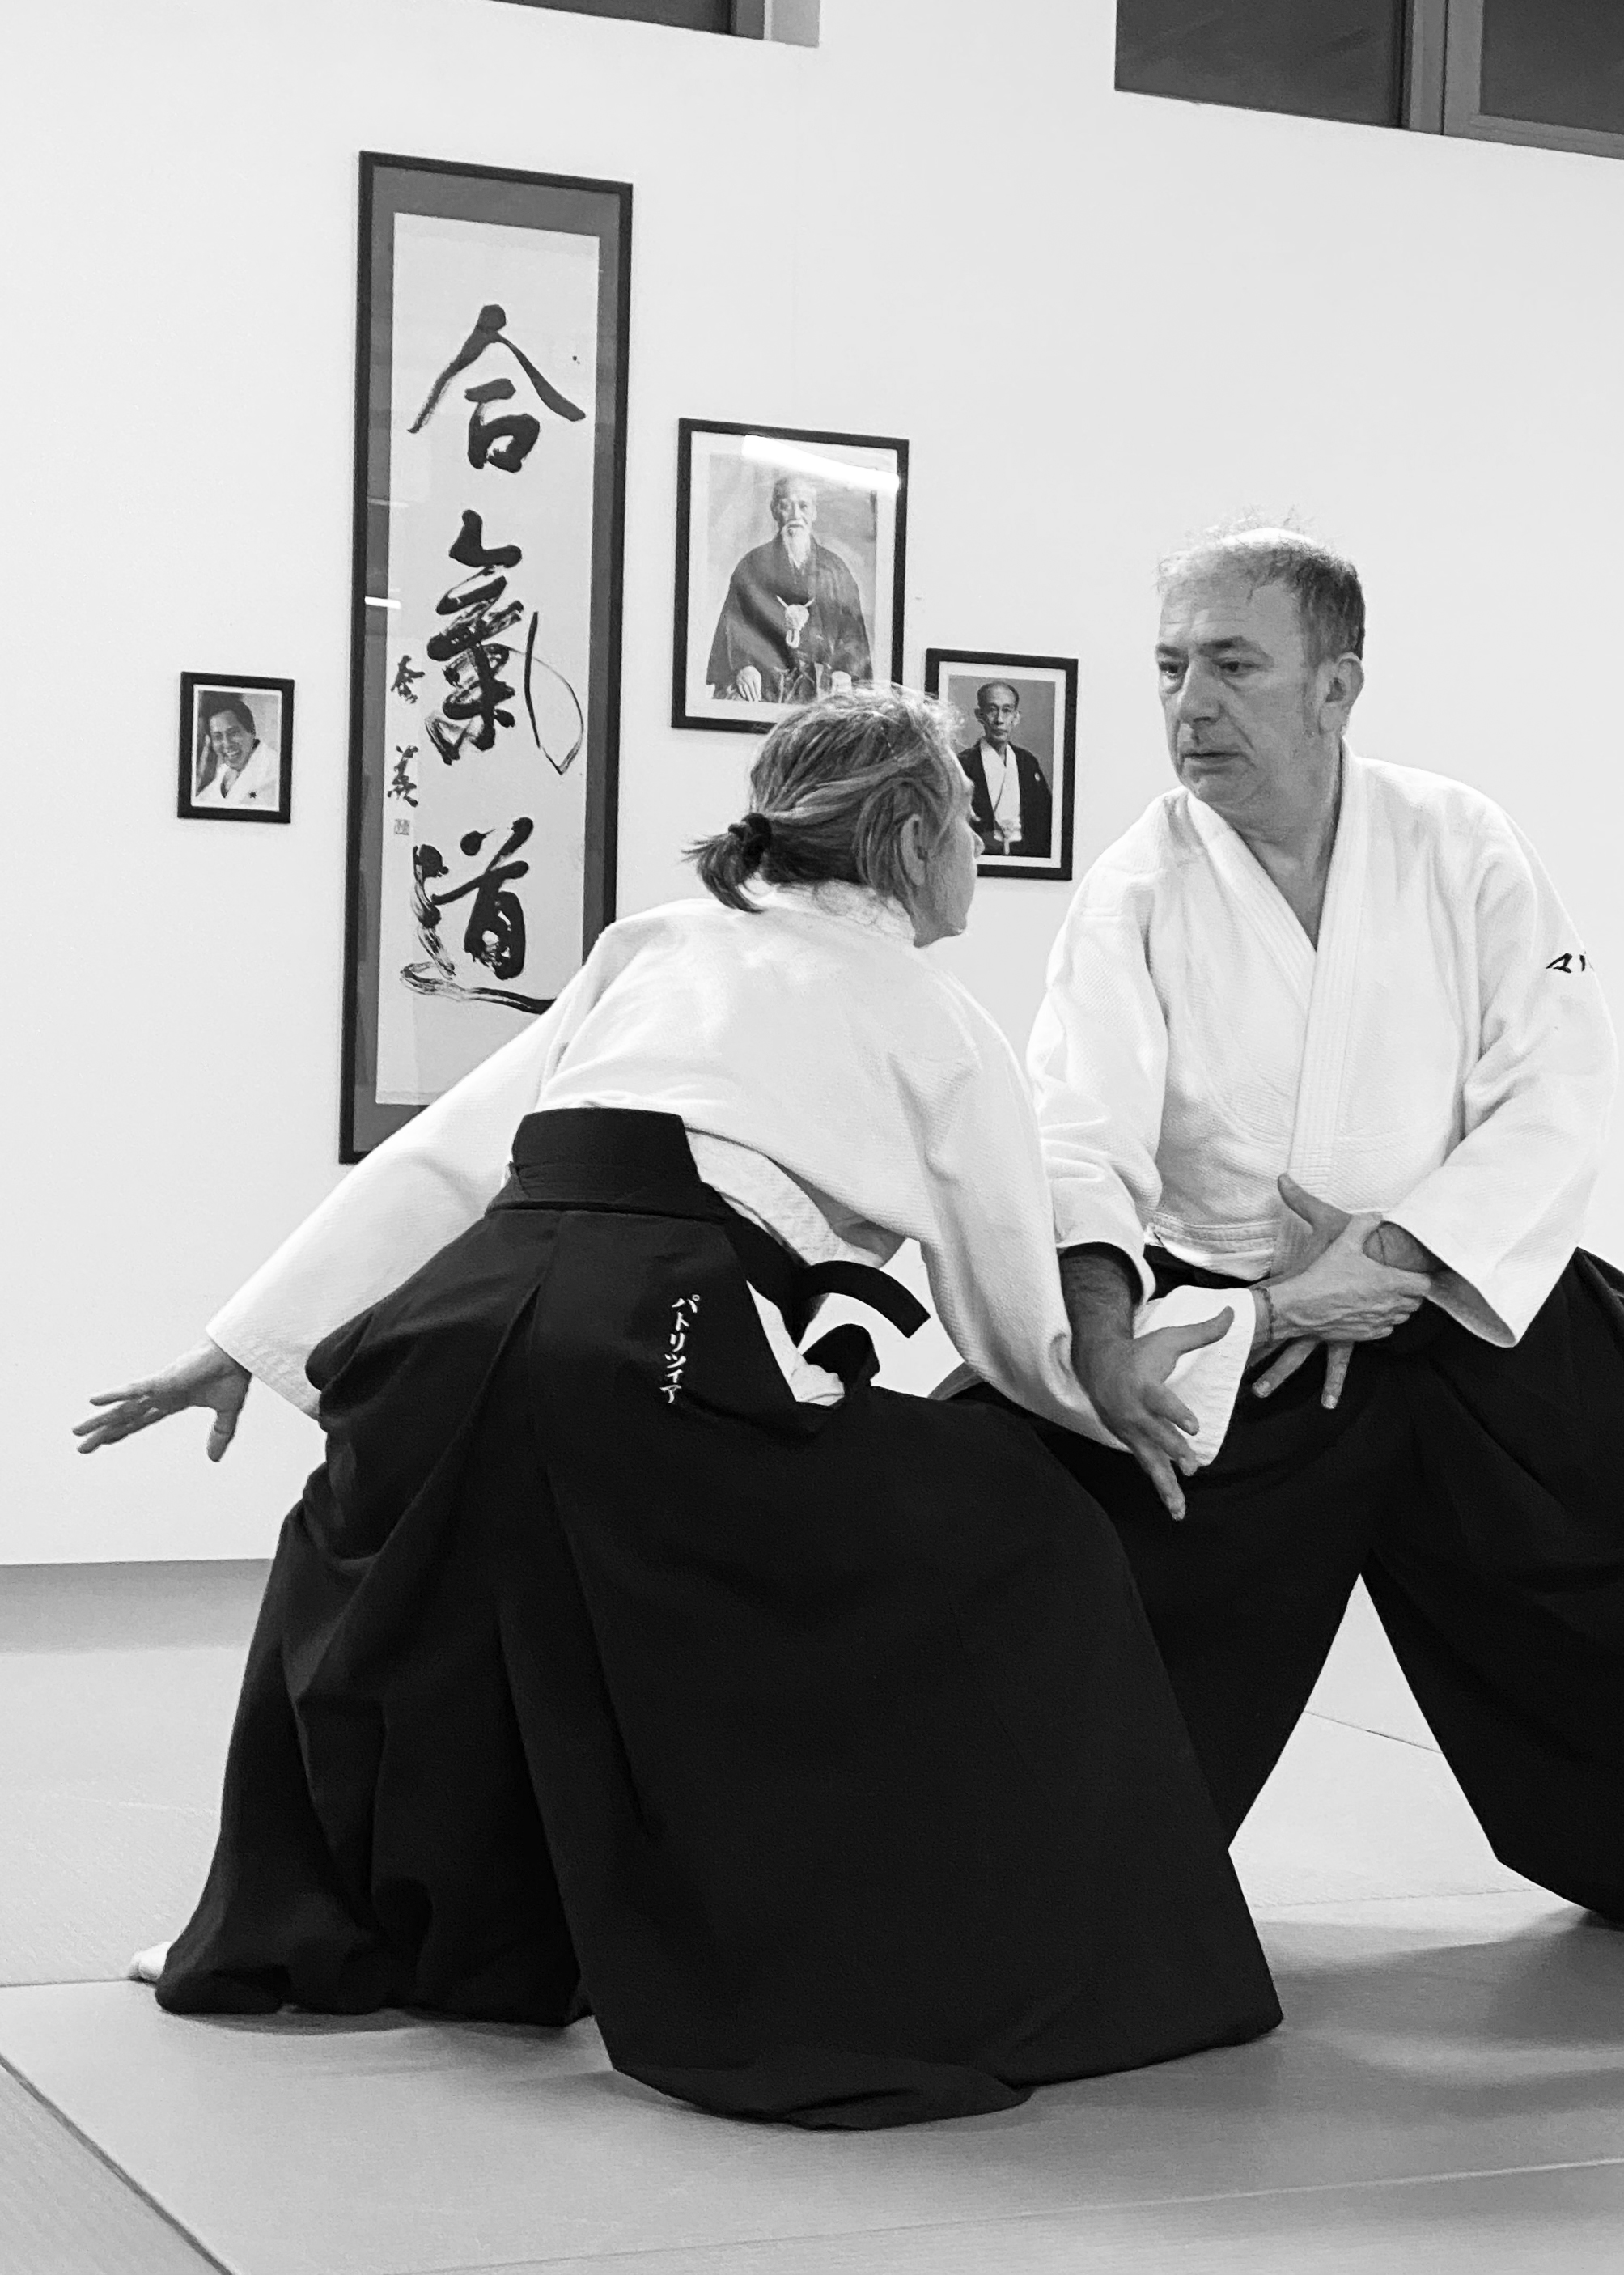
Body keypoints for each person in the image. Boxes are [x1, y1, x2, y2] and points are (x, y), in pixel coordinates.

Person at [74, 690, 1276, 2131]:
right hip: (664, 1338)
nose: (977, 847)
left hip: (460, 1321)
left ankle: (329, 1926)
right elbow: (1005, 1296)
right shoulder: (936, 1018)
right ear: (912, 838)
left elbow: (450, 1157)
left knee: (390, 1569)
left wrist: (246, 1341)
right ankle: (932, 1955)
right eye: (968, 818)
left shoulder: (652, 943)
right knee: (1029, 1532)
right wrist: (1103, 1397)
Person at [1000, 527, 1624, 1969]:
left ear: (1336, 685)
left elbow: (1558, 1074)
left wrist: (1396, 1250)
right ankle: (1025, 1918)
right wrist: (1124, 1325)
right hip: (1251, 1316)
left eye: (1232, 665)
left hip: (1463, 1287)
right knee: (1048, 1564)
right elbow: (1076, 1127)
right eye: (1168, 668)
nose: (1189, 705)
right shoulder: (1139, 885)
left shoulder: (1460, 841)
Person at [704, 473, 872, 703]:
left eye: (803, 506)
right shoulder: (752, 565)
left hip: (821, 685)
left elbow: (853, 634)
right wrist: (744, 666)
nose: (796, 516)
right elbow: (734, 625)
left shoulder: (836, 571)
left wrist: (844, 671)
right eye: (786, 506)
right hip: (765, 684)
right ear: (775, 511)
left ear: (814, 512)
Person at [959, 681, 1054, 859]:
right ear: (979, 715)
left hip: (1027, 857)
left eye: (1007, 710)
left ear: (1016, 717)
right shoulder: (964, 764)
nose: (999, 720)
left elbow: (1046, 818)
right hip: (982, 856)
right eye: (992, 710)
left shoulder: (1027, 762)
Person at [192, 694, 279, 808]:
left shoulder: (274, 772)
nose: (227, 744)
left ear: (251, 731)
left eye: (233, 733)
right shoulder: (225, 771)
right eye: (218, 737)